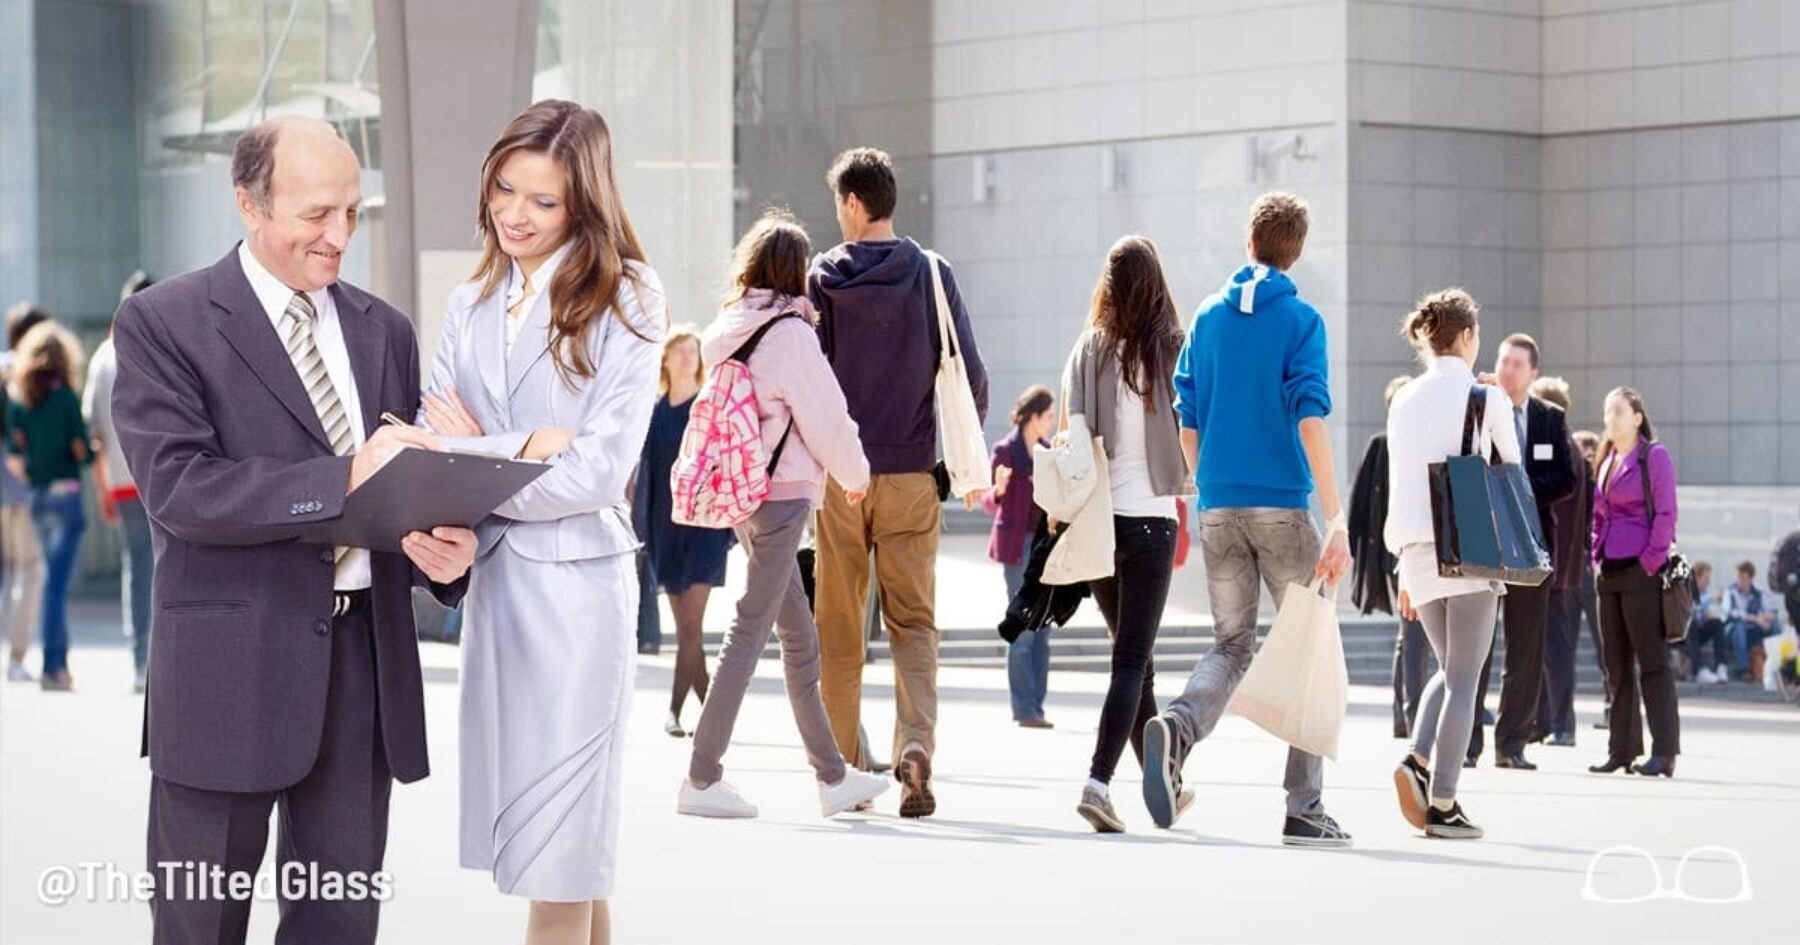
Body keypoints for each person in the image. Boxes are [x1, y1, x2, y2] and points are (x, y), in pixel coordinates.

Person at [111, 116, 476, 944]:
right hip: (225, 679)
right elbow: (182, 488)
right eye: (317, 214)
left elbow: (396, 492)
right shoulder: (162, 323)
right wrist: (346, 471)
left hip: (361, 674)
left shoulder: (384, 329)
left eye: (352, 211)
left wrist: (442, 556)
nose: (340, 235)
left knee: (340, 927)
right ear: (248, 203)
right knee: (200, 927)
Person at [418, 100, 663, 945]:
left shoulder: (628, 295)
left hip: (577, 597)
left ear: (583, 204)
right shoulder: (471, 299)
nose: (514, 214)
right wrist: (528, 443)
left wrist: (480, 451)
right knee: (562, 849)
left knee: (560, 850)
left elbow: (600, 468)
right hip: (497, 597)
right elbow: (432, 450)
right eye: (503, 189)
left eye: (543, 200)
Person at [1145, 192, 1355, 847]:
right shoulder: (1301, 320)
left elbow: (1188, 415)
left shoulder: (1207, 318)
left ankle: (1177, 728)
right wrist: (1338, 518)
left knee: (1231, 644)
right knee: (1310, 645)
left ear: (1250, 243)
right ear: (1296, 249)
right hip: (1284, 507)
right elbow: (1311, 418)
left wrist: (1204, 484)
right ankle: (1304, 806)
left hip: (1219, 505)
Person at [676, 209, 891, 820]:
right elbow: (827, 413)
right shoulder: (791, 333)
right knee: (749, 630)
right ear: (795, 272)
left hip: (745, 494)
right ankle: (701, 774)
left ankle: (831, 776)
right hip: (783, 493)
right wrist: (857, 475)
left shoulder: (730, 329)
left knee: (798, 637)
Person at [809, 146, 988, 818]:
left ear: (854, 203)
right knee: (913, 622)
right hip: (913, 473)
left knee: (839, 625)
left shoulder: (822, 278)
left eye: (839, 203)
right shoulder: (932, 275)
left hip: (839, 478)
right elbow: (970, 376)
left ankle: (846, 768)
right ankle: (914, 746)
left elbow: (805, 379)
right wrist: (948, 459)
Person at [1059, 236, 1194, 833]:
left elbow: (1072, 433)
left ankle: (1164, 784)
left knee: (1135, 661)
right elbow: (1192, 423)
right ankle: (1097, 780)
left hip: (1097, 522)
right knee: (1132, 658)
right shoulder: (1172, 350)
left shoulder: (1087, 350)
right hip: (1151, 521)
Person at [1383, 289, 1520, 840]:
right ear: (1465, 337)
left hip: (1414, 552)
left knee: (1450, 670)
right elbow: (1509, 464)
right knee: (1466, 680)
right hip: (1467, 546)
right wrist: (1495, 406)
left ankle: (1418, 758)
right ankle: (1443, 801)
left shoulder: (1404, 398)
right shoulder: (1485, 398)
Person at [1466, 334, 1575, 771]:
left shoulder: (1550, 418)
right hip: (1484, 541)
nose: (1508, 369)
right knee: (1476, 646)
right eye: (1503, 361)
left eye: (1517, 364)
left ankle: (1511, 744)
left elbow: (1565, 478)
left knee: (1526, 649)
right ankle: (1467, 742)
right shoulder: (1478, 404)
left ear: (1533, 373)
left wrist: (1521, 491)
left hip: (1530, 542)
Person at [634, 325, 734, 736]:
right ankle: (714, 716)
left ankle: (674, 712)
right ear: (666, 359)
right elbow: (649, 479)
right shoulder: (655, 412)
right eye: (680, 351)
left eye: (693, 351)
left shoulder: (707, 407)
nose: (688, 357)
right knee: (686, 629)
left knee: (691, 625)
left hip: (706, 529)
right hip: (666, 530)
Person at [1588, 387, 1680, 779]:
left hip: (1641, 571)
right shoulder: (1605, 459)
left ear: (1637, 417)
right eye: (1607, 410)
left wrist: (1650, 561)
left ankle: (1664, 751)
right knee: (1616, 665)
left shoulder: (1653, 456)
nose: (1611, 417)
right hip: (1608, 570)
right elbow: (1597, 515)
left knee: (1652, 662)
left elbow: (1666, 514)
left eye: (1619, 411)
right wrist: (1595, 554)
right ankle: (1621, 749)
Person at [4, 318, 90, 692]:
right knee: (55, 585)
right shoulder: (67, 399)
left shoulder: (22, 403)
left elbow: (17, 452)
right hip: (66, 495)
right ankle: (54, 667)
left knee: (49, 583)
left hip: (37, 497)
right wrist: (85, 452)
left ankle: (59, 664)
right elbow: (82, 451)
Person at [84, 270, 158, 692]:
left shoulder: (103, 357)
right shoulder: (163, 349)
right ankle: (161, 662)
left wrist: (102, 488)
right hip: (163, 480)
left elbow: (93, 432)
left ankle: (139, 662)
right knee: (167, 566)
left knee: (137, 567)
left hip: (122, 480)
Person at [1348, 374, 1429, 738]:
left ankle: (1406, 714)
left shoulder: (1422, 443)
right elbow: (1360, 502)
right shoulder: (1381, 445)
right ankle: (1409, 715)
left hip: (1416, 546)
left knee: (1409, 631)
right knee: (1411, 629)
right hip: (1392, 552)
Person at [987, 384, 1056, 729]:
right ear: (1034, 416)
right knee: (1024, 627)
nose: (1053, 422)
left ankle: (1036, 707)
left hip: (1044, 549)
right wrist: (998, 490)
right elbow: (987, 500)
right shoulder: (1005, 451)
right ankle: (1024, 708)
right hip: (1017, 549)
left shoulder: (1048, 452)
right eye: (1049, 416)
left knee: (1043, 629)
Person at [1529, 375, 1587, 746]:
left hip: (1555, 564)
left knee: (1554, 647)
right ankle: (1547, 721)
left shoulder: (1563, 450)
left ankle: (1562, 723)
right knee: (1546, 646)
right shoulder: (1572, 450)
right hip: (1561, 563)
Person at [0, 302, 49, 683]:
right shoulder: (28, 371)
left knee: (10, 570)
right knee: (29, 570)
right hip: (23, 485)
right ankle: (16, 658)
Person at [1573, 429, 1608, 727]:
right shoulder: (1572, 482)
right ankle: (1559, 718)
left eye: (1588, 454)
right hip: (1573, 571)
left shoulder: (1601, 484)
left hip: (1593, 572)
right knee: (1562, 646)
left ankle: (1612, 707)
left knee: (1604, 645)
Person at [1722, 561, 1778, 683]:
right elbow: (1731, 613)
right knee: (1739, 627)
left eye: (1743, 577)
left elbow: (1772, 610)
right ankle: (1744, 668)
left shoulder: (1758, 592)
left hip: (1752, 631)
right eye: (1738, 577)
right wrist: (1757, 619)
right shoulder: (1730, 592)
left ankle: (1779, 665)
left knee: (1775, 625)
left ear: (1751, 578)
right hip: (1732, 632)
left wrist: (1767, 617)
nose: (1739, 580)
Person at [1686, 562, 1730, 684]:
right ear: (1697, 577)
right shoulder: (1686, 589)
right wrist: (1712, 599)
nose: (1709, 581)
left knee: (1717, 624)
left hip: (1697, 633)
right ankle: (1699, 670)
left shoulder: (1704, 593)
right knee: (1691, 624)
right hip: (1683, 634)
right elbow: (1690, 609)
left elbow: (1703, 613)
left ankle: (1721, 666)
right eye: (1707, 578)